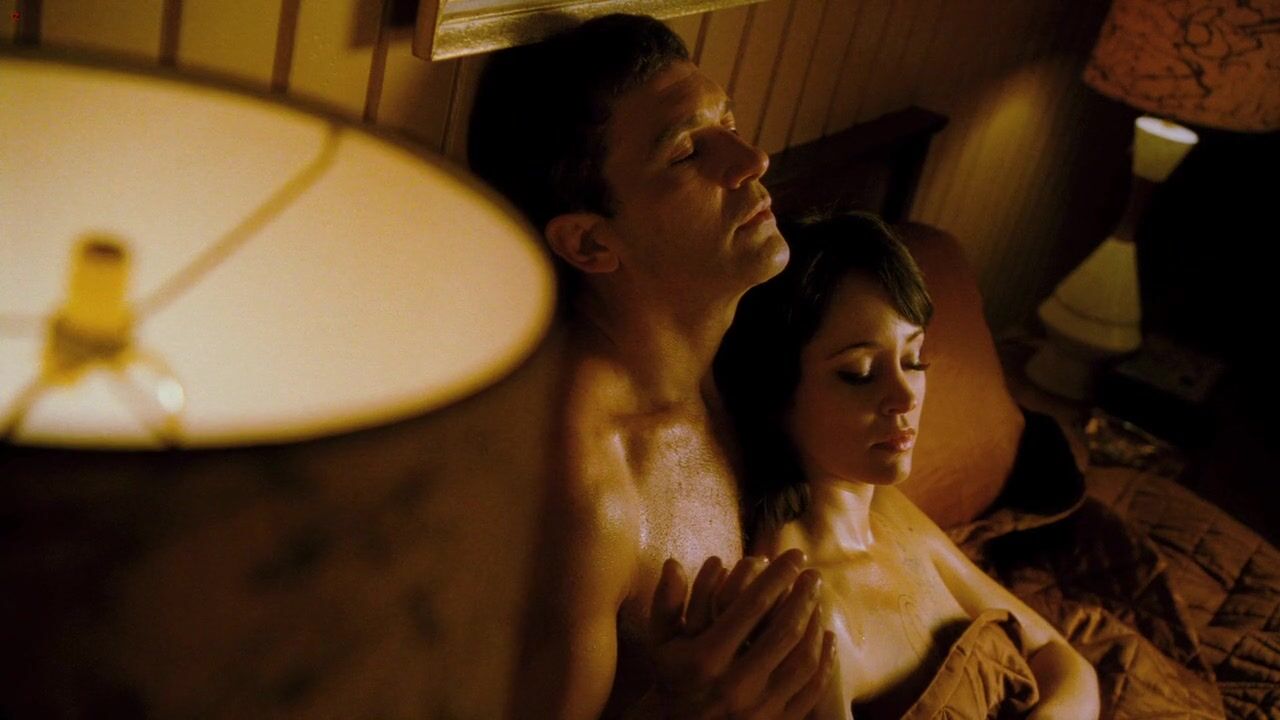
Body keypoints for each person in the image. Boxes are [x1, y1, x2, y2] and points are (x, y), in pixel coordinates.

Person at [468, 14, 836, 719]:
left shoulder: (764, 339)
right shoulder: (587, 491)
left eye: (729, 122)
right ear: (590, 243)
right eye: (688, 151)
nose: (752, 158)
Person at [714, 212, 1101, 718]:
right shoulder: (806, 615)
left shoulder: (888, 511)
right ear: (775, 392)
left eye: (914, 359)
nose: (906, 396)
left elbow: (1065, 661)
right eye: (860, 372)